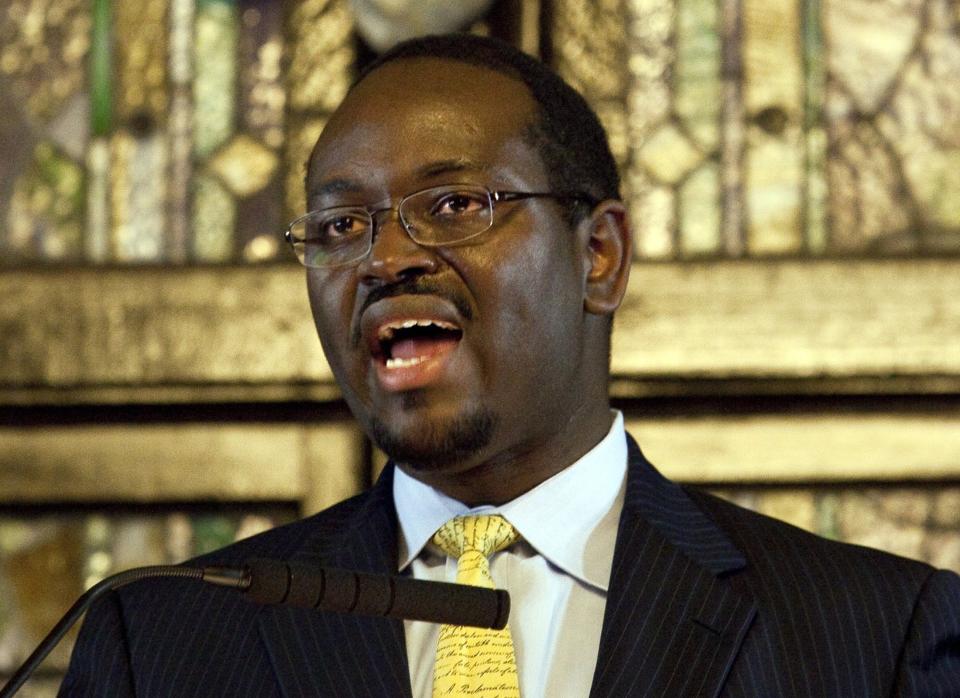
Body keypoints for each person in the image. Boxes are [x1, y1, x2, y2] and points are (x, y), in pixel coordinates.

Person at [60, 34, 960, 697]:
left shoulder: (875, 638)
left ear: (599, 256)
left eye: (453, 204)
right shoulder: (163, 639)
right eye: (341, 226)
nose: (384, 259)